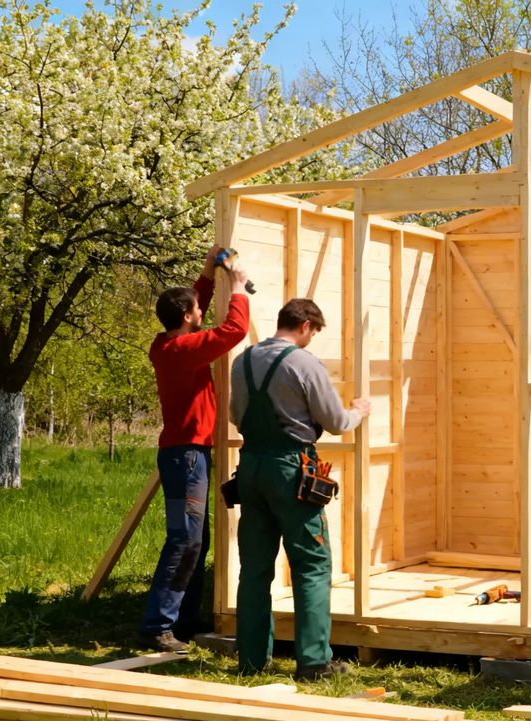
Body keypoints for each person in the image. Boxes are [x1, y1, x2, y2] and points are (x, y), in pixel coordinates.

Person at [230, 298, 370, 679]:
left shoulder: (241, 362)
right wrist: (360, 409)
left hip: (251, 468)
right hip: (291, 470)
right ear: (306, 326)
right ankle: (313, 662)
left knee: (255, 569)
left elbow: (233, 414)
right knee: (311, 563)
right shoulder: (303, 363)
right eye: (314, 333)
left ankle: (252, 661)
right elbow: (337, 421)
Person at [140, 246, 250, 653]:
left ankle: (183, 620)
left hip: (185, 454)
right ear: (187, 318)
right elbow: (233, 331)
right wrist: (238, 289)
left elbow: (193, 306)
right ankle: (158, 625)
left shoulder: (164, 344)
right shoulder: (185, 351)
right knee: (184, 541)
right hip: (187, 457)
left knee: (193, 540)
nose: (202, 311)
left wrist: (206, 274)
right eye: (197, 310)